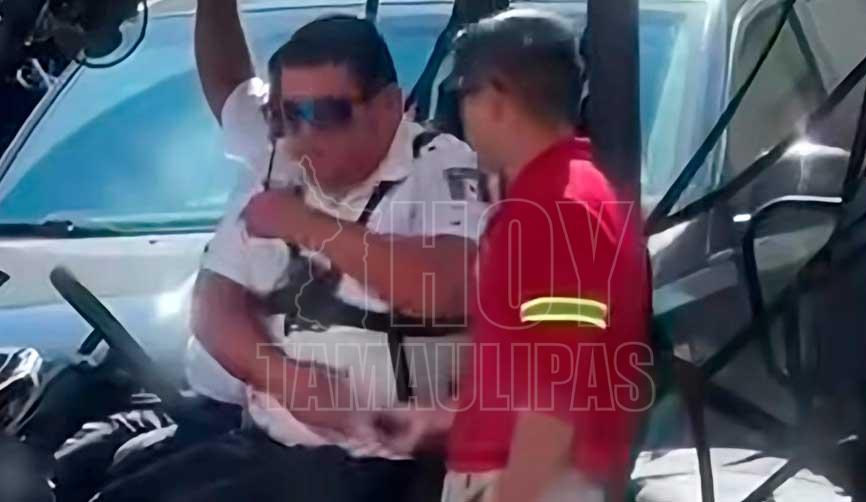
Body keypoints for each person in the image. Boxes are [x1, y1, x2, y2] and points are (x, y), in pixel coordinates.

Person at [87, 6, 487, 502]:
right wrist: (285, 379)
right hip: (271, 449)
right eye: (285, 114)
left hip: (389, 468)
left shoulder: (441, 166)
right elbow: (215, 305)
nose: (302, 134)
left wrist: (306, 226)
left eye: (324, 114)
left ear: (388, 106)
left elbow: (444, 288)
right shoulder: (279, 159)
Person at [378, 9, 653, 502]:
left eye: (463, 93)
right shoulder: (559, 197)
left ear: (496, 98)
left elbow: (558, 393)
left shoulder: (559, 210)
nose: (461, 112)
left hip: (538, 484)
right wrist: (444, 419)